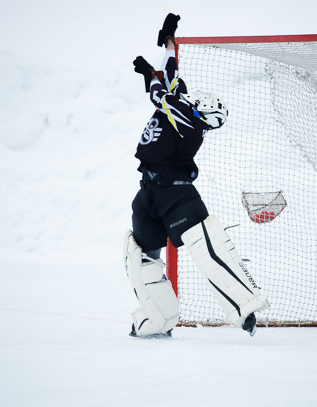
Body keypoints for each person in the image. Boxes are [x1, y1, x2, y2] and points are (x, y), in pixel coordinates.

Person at [123, 13, 270, 338]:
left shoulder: (188, 120)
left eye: (207, 102)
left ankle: (245, 307)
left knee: (208, 248)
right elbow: (171, 74)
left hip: (175, 195)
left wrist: (150, 75)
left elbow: (159, 93)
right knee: (141, 258)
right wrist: (169, 41)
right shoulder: (184, 105)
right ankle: (155, 320)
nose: (201, 96)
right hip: (148, 192)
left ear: (206, 113)